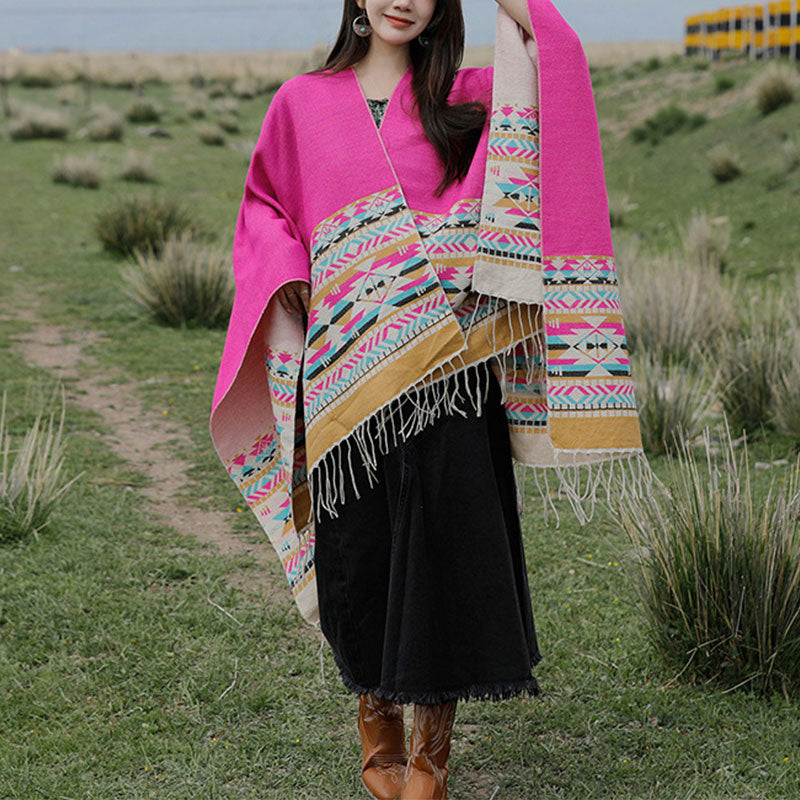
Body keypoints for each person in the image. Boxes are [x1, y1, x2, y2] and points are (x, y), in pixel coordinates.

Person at [209, 1, 648, 798]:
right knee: (362, 555)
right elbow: (265, 208)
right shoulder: (301, 102)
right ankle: (375, 730)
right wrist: (293, 273)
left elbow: (559, 67)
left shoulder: (470, 97)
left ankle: (431, 760)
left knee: (447, 557)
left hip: (452, 368)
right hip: (350, 368)